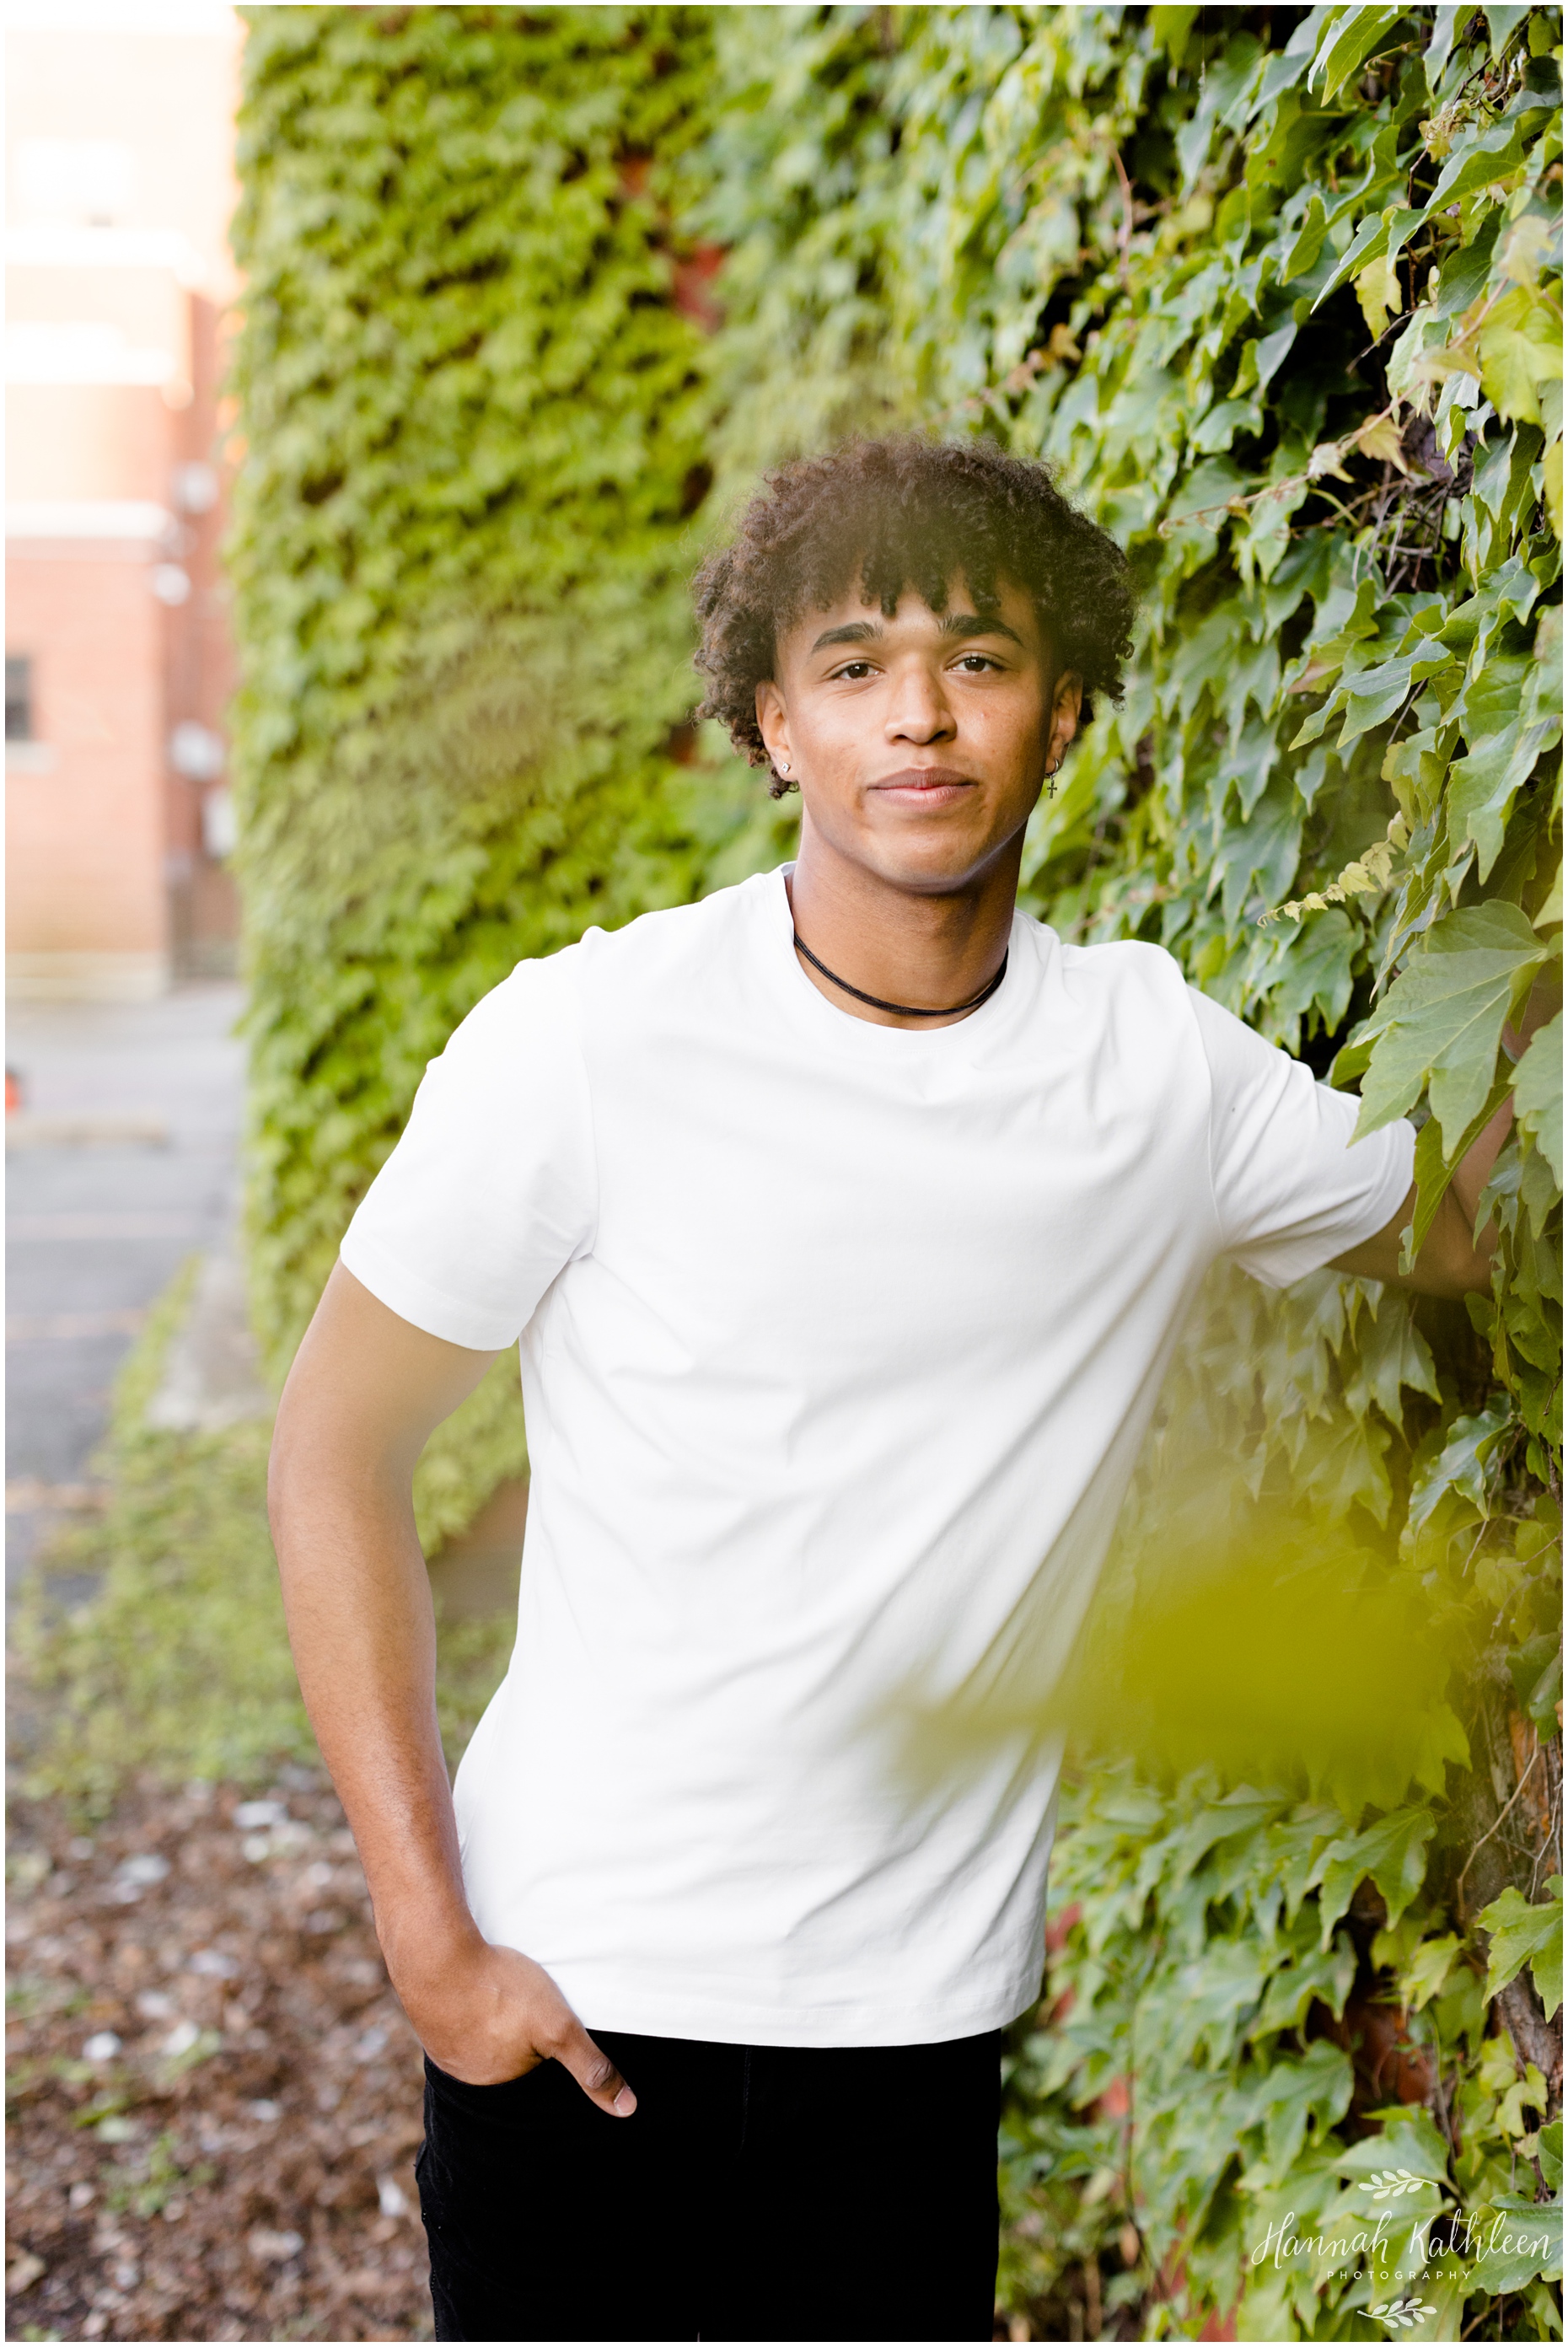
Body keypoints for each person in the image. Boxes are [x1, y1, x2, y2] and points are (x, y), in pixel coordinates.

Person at [267, 436, 1519, 2344]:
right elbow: (335, 1445)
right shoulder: (592, 1041)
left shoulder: (1154, 1068)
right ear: (773, 725)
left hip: (913, 2043)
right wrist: (428, 1939)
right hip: (574, 1996)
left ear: (1068, 709)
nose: (918, 716)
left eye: (979, 659)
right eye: (853, 665)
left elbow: (1449, 1233)